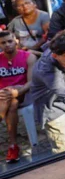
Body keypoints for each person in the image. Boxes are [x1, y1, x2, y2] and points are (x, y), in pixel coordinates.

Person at [25, 31, 65, 153]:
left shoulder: (55, 45)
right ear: (55, 56)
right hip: (50, 106)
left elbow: (51, 43)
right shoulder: (48, 70)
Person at [0, 31, 36, 161]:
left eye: (10, 41)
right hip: (4, 97)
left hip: (24, 94)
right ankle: (13, 145)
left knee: (13, 98)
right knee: (13, 103)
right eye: (3, 43)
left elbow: (31, 82)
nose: (7, 45)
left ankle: (13, 146)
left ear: (16, 41)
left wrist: (18, 92)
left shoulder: (28, 57)